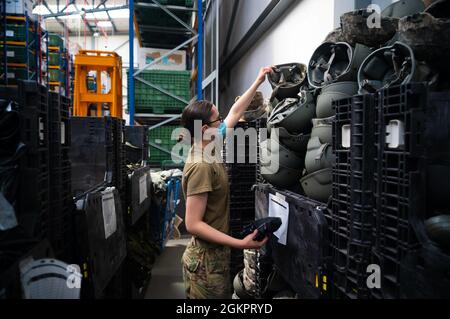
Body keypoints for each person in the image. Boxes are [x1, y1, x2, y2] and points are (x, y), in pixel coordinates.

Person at [180, 66, 274, 299]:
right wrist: (239, 243)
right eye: (217, 120)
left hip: (215, 257)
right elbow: (192, 224)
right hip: (205, 264)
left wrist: (258, 79)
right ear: (204, 129)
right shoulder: (201, 165)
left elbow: (234, 112)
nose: (222, 122)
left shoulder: (210, 145)